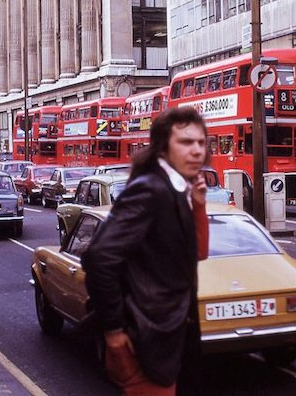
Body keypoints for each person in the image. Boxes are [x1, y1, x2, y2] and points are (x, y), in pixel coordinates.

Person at [82, 108, 210, 396]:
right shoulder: (151, 190)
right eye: (186, 142)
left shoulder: (176, 189)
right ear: (163, 148)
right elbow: (99, 256)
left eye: (201, 143)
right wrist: (114, 330)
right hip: (145, 341)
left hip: (173, 337)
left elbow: (198, 254)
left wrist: (198, 205)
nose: (197, 151)